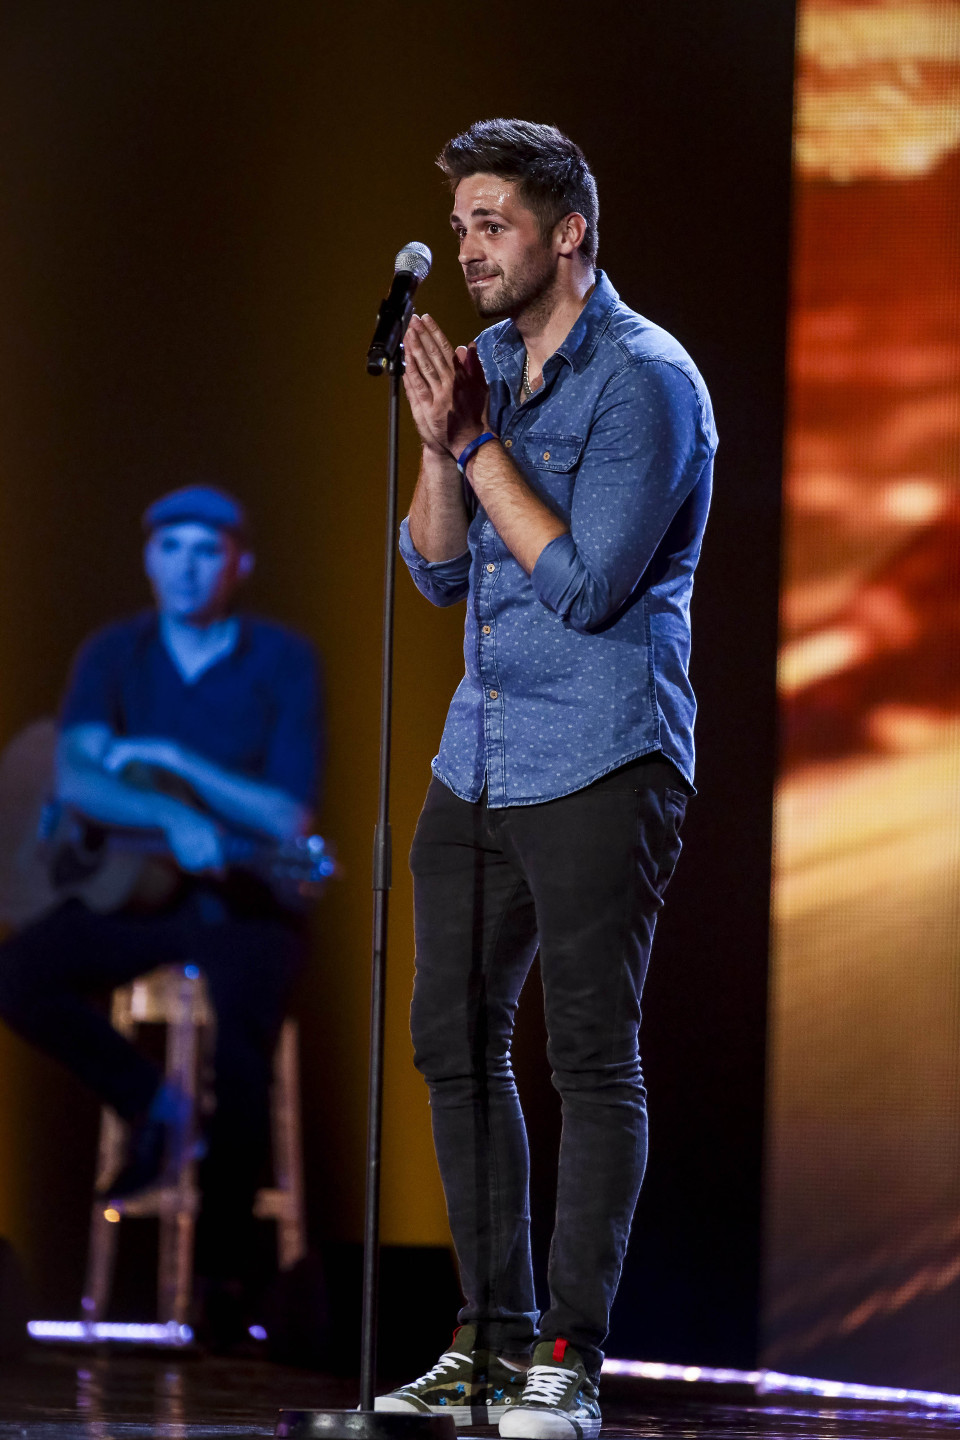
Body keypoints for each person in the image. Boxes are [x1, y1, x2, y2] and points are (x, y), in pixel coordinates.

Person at [375, 120, 716, 1438]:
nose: (468, 250)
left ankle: (569, 1356)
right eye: (460, 226)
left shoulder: (646, 381)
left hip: (605, 753)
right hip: (480, 755)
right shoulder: (493, 374)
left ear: (568, 232)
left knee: (588, 1053)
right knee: (448, 1038)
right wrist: (435, 439)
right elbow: (435, 570)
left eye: (492, 224)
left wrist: (476, 448)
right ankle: (490, 1340)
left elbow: (583, 587)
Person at [0, 484, 324, 1341]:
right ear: (148, 559)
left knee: (242, 1045)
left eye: (207, 550)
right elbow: (76, 774)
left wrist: (175, 759)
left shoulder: (282, 659)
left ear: (240, 564)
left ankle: (222, 1284)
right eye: (171, 548)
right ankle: (152, 1102)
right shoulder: (115, 651)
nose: (187, 567)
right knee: (20, 973)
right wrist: (166, 815)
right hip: (136, 894)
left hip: (246, 899)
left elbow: (287, 815)